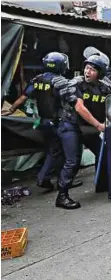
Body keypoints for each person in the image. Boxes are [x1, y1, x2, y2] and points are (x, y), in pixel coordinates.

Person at [1, 52, 82, 191]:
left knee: (53, 151)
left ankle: (43, 178)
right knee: (69, 155)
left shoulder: (37, 79)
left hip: (44, 122)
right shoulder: (60, 82)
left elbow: (24, 96)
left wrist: (12, 109)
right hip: (60, 123)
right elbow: (72, 102)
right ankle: (64, 182)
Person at [55, 51, 111, 209]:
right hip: (71, 126)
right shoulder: (76, 84)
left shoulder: (105, 88)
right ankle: (62, 196)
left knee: (105, 152)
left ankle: (102, 184)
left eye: (93, 70)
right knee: (73, 161)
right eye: (87, 68)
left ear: (100, 73)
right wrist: (98, 125)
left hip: (87, 128)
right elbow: (80, 108)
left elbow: (110, 108)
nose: (88, 72)